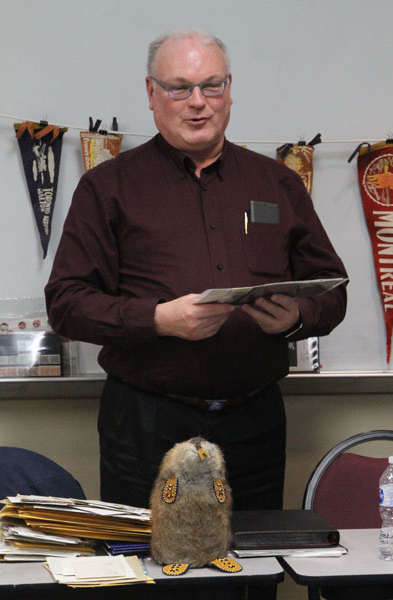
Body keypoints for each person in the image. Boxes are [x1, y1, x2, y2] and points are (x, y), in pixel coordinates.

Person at [45, 29, 347, 516]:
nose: (198, 103)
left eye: (212, 86)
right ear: (151, 94)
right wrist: (158, 320)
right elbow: (65, 303)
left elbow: (333, 291)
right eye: (179, 87)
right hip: (146, 424)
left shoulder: (277, 182)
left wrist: (294, 319)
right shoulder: (107, 187)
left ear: (230, 90)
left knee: (252, 573)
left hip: (255, 423)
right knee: (153, 578)